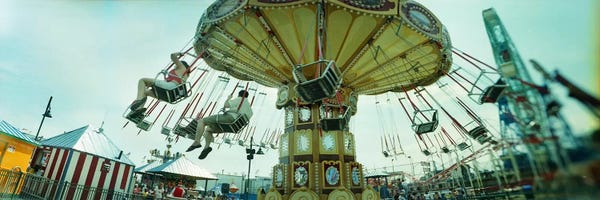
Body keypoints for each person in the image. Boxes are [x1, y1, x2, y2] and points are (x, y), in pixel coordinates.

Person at [186, 90, 253, 159]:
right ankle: (206, 148)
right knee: (208, 130)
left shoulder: (240, 99)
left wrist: (229, 98)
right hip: (233, 127)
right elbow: (240, 113)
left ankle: (197, 141)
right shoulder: (249, 109)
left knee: (201, 121)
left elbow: (226, 105)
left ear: (239, 95)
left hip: (230, 119)